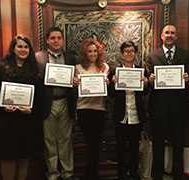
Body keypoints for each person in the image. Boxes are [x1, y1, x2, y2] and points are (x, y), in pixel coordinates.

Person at [146, 24, 189, 180]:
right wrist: (151, 80)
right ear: (161, 35)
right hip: (158, 107)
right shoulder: (152, 56)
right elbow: (147, 81)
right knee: (158, 142)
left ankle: (178, 173)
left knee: (178, 142)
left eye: (173, 33)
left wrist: (187, 79)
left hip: (179, 107)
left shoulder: (186, 55)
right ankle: (156, 173)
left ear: (176, 37)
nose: (170, 35)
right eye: (167, 33)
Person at [0, 35, 44, 180]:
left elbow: (39, 97)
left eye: (26, 47)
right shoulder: (0, 68)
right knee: (8, 157)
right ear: (13, 49)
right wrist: (2, 106)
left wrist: (32, 110)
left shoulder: (35, 70)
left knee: (24, 156)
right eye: (20, 46)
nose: (23, 50)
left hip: (26, 121)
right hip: (6, 122)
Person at [35, 27, 77, 180]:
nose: (56, 41)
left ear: (63, 40)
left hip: (65, 103)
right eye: (53, 38)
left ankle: (68, 173)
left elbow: (75, 79)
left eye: (59, 38)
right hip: (48, 104)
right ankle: (52, 173)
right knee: (50, 140)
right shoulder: (38, 57)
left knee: (65, 139)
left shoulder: (70, 57)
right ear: (47, 40)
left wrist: (75, 82)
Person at [108, 41, 148, 180]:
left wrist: (146, 83)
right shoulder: (114, 72)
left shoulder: (141, 70)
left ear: (136, 54)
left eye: (131, 51)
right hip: (121, 114)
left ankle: (134, 172)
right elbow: (111, 94)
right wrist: (113, 83)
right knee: (120, 147)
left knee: (134, 146)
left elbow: (145, 93)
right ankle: (122, 173)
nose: (129, 54)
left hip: (136, 113)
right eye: (126, 51)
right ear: (121, 54)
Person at [73, 38, 109, 180]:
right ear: (85, 53)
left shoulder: (105, 67)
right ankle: (91, 176)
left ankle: (92, 175)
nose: (93, 54)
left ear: (99, 52)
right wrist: (75, 83)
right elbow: (75, 91)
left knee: (95, 144)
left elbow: (109, 89)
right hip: (84, 109)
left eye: (95, 51)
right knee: (91, 143)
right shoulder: (78, 68)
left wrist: (107, 83)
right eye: (90, 51)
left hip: (100, 110)